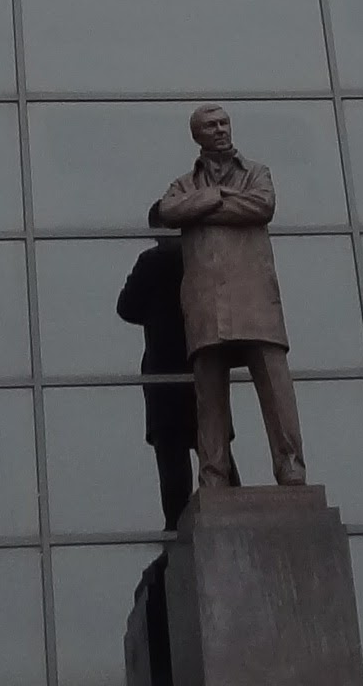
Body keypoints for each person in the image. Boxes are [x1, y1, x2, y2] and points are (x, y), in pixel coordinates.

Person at [149, 102, 305, 488]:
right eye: (211, 125)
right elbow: (169, 211)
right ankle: (214, 474)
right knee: (210, 395)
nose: (220, 129)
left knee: (275, 387)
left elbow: (262, 205)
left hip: (255, 298)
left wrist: (203, 206)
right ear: (197, 135)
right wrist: (220, 196)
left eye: (224, 122)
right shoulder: (183, 183)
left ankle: (291, 465)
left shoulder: (256, 173)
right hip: (207, 302)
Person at [115, 237, 198, 527]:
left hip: (166, 366)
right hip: (196, 361)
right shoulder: (196, 256)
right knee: (212, 447)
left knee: (173, 454)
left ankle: (176, 527)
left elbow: (126, 306)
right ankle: (234, 511)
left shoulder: (153, 261)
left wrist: (155, 311)